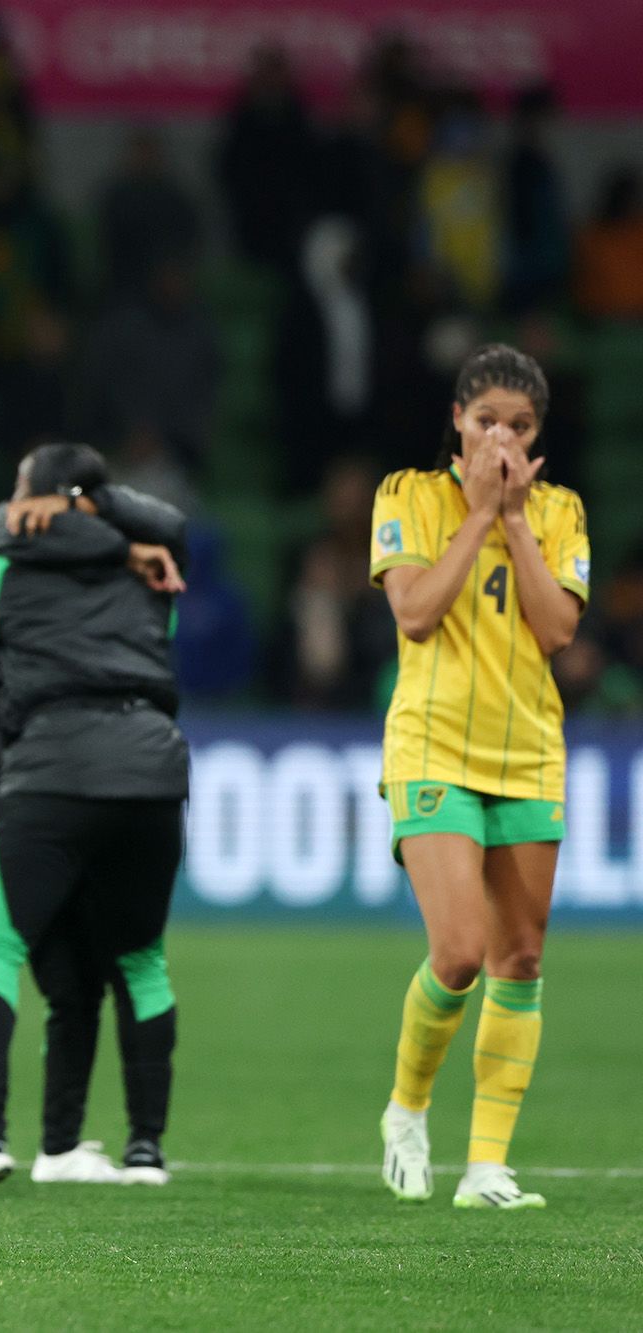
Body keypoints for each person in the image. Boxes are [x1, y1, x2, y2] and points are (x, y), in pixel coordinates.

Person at [0, 474, 187, 1186]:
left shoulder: (4, 557)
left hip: (41, 773)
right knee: (128, 963)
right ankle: (135, 1147)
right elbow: (159, 634)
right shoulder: (152, 572)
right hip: (152, 771)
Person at [371, 345, 586, 1210]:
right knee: (459, 953)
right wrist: (476, 516)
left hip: (529, 750)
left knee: (520, 957)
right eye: (488, 419)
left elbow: (557, 630)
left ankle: (487, 1165)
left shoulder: (563, 511)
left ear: (539, 440)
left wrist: (517, 523)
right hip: (433, 746)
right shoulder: (408, 495)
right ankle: (407, 1109)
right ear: (456, 422)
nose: (503, 436)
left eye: (521, 426)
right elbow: (416, 615)